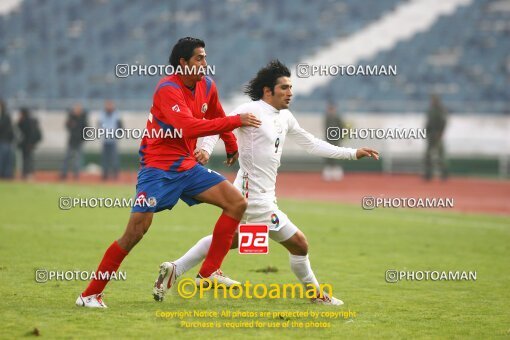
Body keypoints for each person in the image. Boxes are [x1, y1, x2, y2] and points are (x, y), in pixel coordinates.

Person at [153, 60, 379, 305]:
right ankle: (317, 296)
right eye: (284, 88)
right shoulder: (251, 111)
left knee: (231, 239)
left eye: (291, 88)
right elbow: (217, 127)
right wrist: (205, 150)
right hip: (253, 197)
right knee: (299, 244)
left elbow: (311, 143)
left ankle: (176, 268)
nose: (290, 93)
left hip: (261, 194)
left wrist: (352, 153)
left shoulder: (285, 117)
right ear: (267, 91)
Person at [76, 37, 261, 308]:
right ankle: (89, 294)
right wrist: (237, 121)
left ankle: (208, 272)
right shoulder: (167, 88)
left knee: (236, 202)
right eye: (199, 59)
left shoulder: (207, 85)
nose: (204, 64)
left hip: (187, 166)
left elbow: (214, 114)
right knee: (135, 232)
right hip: (157, 169)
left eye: (205, 58)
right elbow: (187, 127)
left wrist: (231, 144)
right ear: (183, 63)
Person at [60, 103, 88, 180]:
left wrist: (83, 138)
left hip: (79, 141)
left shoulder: (83, 118)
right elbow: (67, 126)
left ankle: (76, 175)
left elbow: (86, 129)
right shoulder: (71, 117)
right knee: (67, 158)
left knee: (78, 159)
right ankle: (64, 174)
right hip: (72, 141)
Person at [424, 94, 448, 181]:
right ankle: (428, 174)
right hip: (430, 135)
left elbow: (443, 122)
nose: (432, 101)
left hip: (437, 135)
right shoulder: (431, 110)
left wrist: (440, 132)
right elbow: (428, 123)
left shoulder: (440, 110)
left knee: (440, 156)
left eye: (433, 100)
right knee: (428, 156)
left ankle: (444, 174)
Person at [98, 100, 122, 181]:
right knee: (105, 158)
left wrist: (118, 134)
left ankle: (115, 175)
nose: (109, 107)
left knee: (114, 158)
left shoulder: (116, 114)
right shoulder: (102, 114)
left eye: (110, 105)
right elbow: (99, 125)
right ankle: (105, 175)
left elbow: (120, 125)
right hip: (105, 139)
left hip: (113, 139)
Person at [323, 102, 346, 181]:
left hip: (336, 139)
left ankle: (337, 173)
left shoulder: (337, 117)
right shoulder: (327, 117)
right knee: (328, 156)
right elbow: (326, 129)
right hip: (329, 139)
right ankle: (328, 173)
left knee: (337, 156)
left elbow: (341, 128)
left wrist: (341, 137)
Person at [17, 107, 42, 180]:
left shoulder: (27, 121)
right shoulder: (30, 121)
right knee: (28, 159)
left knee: (27, 159)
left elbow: (29, 133)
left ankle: (27, 173)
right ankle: (28, 173)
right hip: (28, 144)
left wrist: (30, 143)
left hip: (27, 144)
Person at [0, 99, 15, 179]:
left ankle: (6, 176)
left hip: (4, 141)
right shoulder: (6, 117)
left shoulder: (5, 117)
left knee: (4, 161)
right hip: (5, 142)